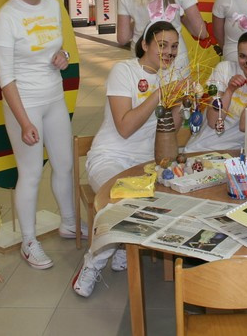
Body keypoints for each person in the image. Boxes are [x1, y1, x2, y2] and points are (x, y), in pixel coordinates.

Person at [73, 17, 183, 297]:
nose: (169, 52)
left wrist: (180, 104)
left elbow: (171, 130)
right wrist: (159, 95)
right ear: (145, 44)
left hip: (147, 163)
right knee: (121, 201)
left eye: (174, 46)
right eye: (162, 44)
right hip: (110, 157)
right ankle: (92, 263)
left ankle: (124, 243)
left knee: (176, 197)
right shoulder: (124, 71)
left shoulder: (170, 77)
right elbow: (125, 128)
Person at [0, 0, 82, 270]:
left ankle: (69, 222)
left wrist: (63, 56)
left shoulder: (53, 6)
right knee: (29, 174)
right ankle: (29, 241)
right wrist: (24, 122)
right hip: (24, 104)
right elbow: (5, 78)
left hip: (54, 98)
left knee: (65, 164)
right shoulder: (6, 17)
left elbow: (59, 47)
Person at [184, 12, 247, 152]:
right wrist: (229, 91)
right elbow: (213, 121)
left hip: (236, 153)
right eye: (242, 56)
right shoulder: (224, 69)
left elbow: (245, 126)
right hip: (200, 149)